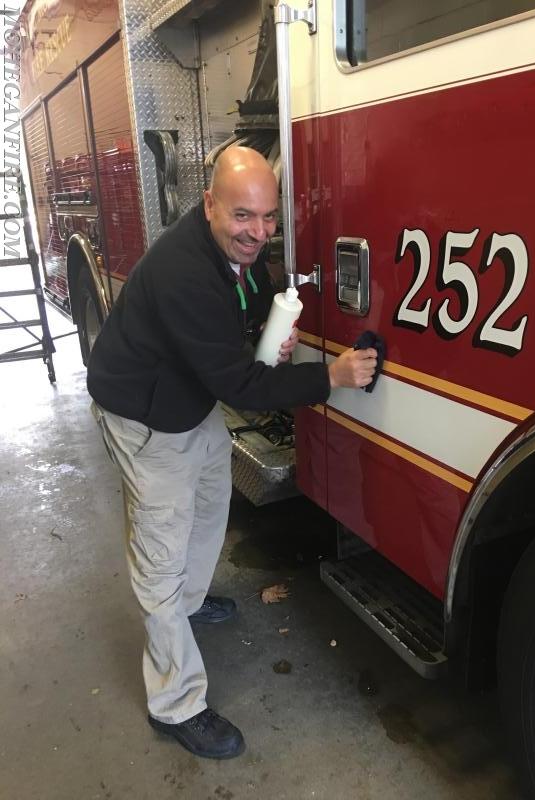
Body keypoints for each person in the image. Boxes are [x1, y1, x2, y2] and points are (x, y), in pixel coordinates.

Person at [87, 146, 377, 760]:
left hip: (186, 399)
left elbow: (238, 335)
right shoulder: (184, 272)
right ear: (209, 204)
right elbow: (241, 386)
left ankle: (191, 605)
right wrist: (333, 375)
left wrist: (268, 333)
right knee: (160, 555)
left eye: (269, 218)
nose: (259, 232)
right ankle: (175, 703)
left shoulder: (238, 256)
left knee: (213, 492)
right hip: (144, 414)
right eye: (243, 216)